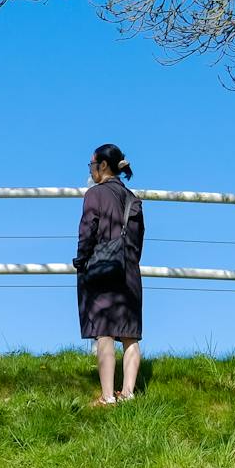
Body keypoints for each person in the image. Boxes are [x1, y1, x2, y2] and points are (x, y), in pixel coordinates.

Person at [74, 143, 144, 406]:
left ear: (103, 165)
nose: (91, 170)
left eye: (92, 165)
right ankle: (128, 393)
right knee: (130, 335)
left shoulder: (95, 194)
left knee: (105, 331)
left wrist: (81, 260)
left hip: (103, 268)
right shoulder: (133, 199)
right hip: (130, 271)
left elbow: (88, 229)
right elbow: (139, 240)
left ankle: (107, 397)